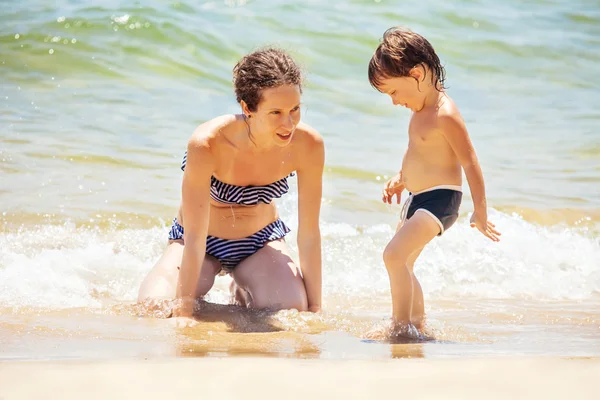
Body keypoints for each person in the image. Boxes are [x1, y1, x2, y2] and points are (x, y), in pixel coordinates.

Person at [138, 47, 324, 318]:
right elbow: (194, 236)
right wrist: (185, 309)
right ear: (247, 108)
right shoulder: (208, 143)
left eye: (295, 109)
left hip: (259, 242)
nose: (289, 123)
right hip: (201, 243)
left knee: (291, 311)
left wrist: (316, 307)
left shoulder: (308, 145)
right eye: (276, 113)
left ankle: (243, 287)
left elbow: (309, 234)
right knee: (154, 309)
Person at [368, 27, 501, 337]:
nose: (393, 101)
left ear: (416, 74)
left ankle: (399, 327)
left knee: (393, 255)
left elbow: (470, 161)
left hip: (440, 200)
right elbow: (420, 152)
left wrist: (480, 210)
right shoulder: (421, 110)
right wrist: (402, 179)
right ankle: (416, 324)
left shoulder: (445, 114)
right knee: (404, 263)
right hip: (417, 198)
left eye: (393, 92)